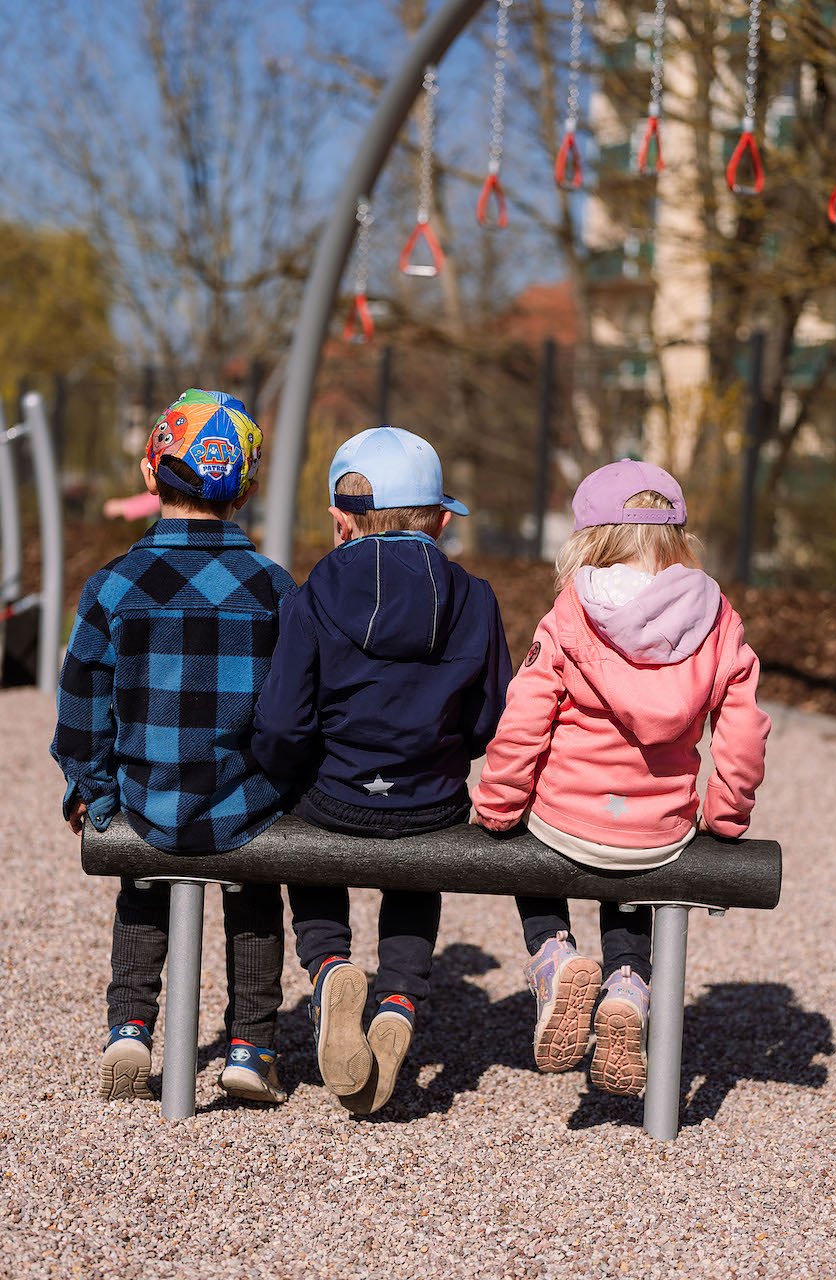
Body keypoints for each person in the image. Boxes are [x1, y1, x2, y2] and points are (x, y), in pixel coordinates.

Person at [471, 458, 770, 1097]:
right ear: (679, 537)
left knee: (526, 843)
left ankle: (554, 955)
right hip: (658, 829)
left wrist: (498, 805)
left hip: (564, 819)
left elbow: (524, 721)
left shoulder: (572, 612)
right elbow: (742, 735)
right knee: (631, 875)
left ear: (590, 537)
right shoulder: (718, 618)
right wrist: (725, 816)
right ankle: (629, 985)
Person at [252, 426, 512, 1114]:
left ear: (339, 521)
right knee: (415, 871)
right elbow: (492, 718)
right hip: (429, 798)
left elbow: (282, 721)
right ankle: (398, 998)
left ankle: (330, 964)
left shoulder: (312, 592)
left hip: (332, 795)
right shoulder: (474, 597)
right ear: (442, 521)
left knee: (304, 837)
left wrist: (284, 773)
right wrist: (444, 755)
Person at [51, 389, 295, 1106]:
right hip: (244, 801)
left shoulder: (113, 585)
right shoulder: (274, 588)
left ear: (150, 474)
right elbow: (292, 705)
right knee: (255, 900)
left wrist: (92, 788)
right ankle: (251, 1046)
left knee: (141, 886)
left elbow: (82, 704)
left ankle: (129, 1026)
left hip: (147, 795)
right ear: (245, 492)